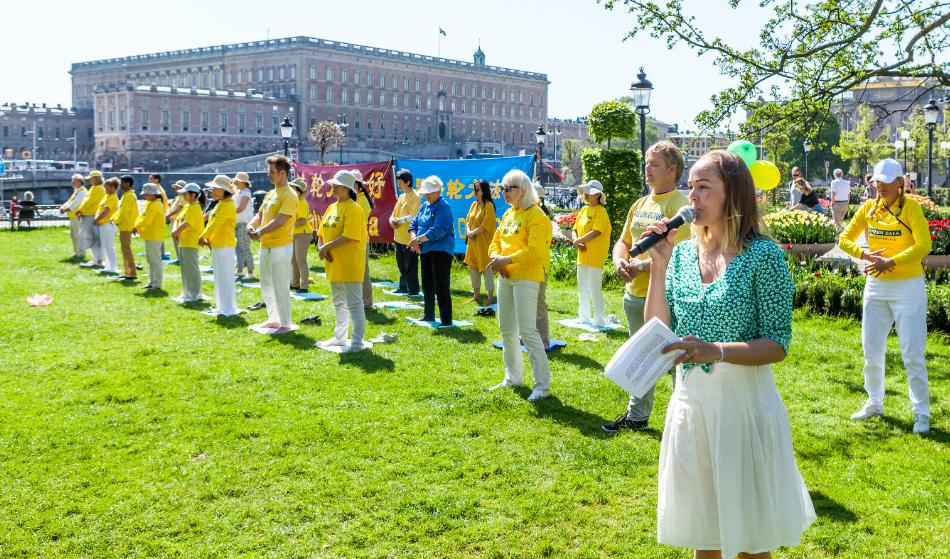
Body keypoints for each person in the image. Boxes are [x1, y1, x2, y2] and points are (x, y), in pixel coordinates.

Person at [643, 149, 815, 558]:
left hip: (743, 412)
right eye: (690, 187)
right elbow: (658, 332)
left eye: (704, 187)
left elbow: (777, 344)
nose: (692, 198)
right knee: (705, 538)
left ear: (733, 193)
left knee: (750, 542)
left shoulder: (764, 257)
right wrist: (659, 265)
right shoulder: (682, 254)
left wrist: (715, 350)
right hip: (692, 409)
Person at [839, 159, 932, 434]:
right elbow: (844, 239)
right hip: (876, 287)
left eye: (886, 183)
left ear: (900, 183)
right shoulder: (869, 207)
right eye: (877, 182)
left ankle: (921, 413)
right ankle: (874, 403)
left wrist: (891, 261)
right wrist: (865, 255)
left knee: (912, 354)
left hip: (909, 288)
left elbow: (924, 245)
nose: (880, 187)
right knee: (871, 351)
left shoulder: (912, 208)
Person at [603, 141, 691, 433]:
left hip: (666, 298)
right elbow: (623, 241)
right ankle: (637, 416)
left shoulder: (679, 207)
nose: (647, 169)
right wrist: (619, 260)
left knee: (675, 359)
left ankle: (684, 419)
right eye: (646, 163)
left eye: (654, 164)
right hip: (635, 296)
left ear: (672, 169)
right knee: (642, 359)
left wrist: (640, 266)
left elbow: (679, 255)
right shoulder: (640, 204)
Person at [487, 169, 552, 402]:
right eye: (502, 188)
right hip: (505, 276)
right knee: (506, 329)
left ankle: (542, 386)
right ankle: (513, 377)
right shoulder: (508, 213)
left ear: (522, 190)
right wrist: (497, 259)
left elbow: (535, 250)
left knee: (527, 331)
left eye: (508, 188)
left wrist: (505, 260)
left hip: (527, 276)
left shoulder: (537, 215)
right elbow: (495, 241)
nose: (503, 192)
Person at [318, 170, 368, 351]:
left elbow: (349, 236)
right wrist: (322, 247)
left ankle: (357, 342)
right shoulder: (332, 207)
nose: (333, 187)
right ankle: (340, 337)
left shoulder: (354, 208)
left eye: (337, 185)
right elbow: (321, 232)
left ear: (347, 188)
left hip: (350, 263)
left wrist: (326, 247)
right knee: (339, 302)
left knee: (354, 304)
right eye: (333, 185)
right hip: (334, 262)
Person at [247, 155, 297, 334]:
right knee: (266, 284)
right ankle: (273, 319)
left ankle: (285, 323)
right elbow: (260, 214)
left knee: (280, 285)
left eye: (272, 172)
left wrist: (260, 232)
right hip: (266, 245)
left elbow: (281, 220)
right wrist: (251, 225)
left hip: (281, 245)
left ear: (283, 173)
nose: (268, 174)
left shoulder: (289, 194)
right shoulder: (271, 193)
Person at [409, 175, 455, 326]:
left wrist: (417, 240)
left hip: (441, 250)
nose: (426, 195)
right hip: (426, 250)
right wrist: (414, 238)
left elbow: (439, 230)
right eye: (425, 192)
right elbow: (413, 225)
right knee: (427, 283)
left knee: (441, 285)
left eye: (429, 192)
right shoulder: (424, 206)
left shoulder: (443, 207)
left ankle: (446, 320)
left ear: (438, 192)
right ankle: (428, 315)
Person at [572, 180, 611, 327]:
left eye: (590, 193)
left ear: (598, 196)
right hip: (582, 255)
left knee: (595, 289)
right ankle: (584, 317)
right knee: (582, 288)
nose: (586, 195)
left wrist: (579, 241)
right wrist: (577, 241)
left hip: (595, 255)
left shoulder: (601, 211)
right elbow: (575, 229)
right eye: (586, 192)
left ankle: (599, 319)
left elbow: (596, 231)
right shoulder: (583, 210)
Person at [199, 175, 238, 317]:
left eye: (216, 188)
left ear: (224, 190)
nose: (213, 191)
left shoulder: (227, 206)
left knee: (225, 278)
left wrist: (202, 236)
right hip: (218, 244)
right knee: (219, 277)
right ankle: (221, 307)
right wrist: (206, 237)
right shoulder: (221, 204)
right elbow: (212, 224)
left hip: (224, 245)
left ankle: (228, 309)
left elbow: (215, 225)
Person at [463, 179, 497, 306]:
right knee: (473, 268)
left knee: (487, 269)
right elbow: (467, 220)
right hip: (472, 244)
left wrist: (473, 233)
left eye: (477, 189)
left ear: (484, 191)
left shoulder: (489, 206)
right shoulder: (474, 204)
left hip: (484, 244)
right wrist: (468, 232)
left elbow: (485, 225)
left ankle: (490, 297)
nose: (474, 191)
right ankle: (476, 295)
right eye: (474, 189)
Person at [389, 168, 421, 295]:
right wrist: (391, 220)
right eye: (398, 182)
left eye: (400, 182)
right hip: (398, 237)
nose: (398, 185)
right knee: (401, 264)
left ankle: (413, 289)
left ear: (408, 182)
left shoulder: (416, 196)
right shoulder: (402, 196)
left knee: (411, 264)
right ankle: (403, 287)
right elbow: (394, 213)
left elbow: (414, 216)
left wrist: (399, 221)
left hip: (409, 238)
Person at [172, 183, 204, 302]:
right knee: (185, 269)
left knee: (191, 269)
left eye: (185, 194)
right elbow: (179, 220)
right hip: (184, 241)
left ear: (193, 194)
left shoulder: (195, 207)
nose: (183, 196)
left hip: (191, 241)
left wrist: (176, 232)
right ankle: (186, 293)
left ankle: (195, 294)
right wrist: (176, 232)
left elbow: (187, 223)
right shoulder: (188, 206)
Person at [133, 183, 165, 290]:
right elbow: (141, 217)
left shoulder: (155, 205)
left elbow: (147, 220)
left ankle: (157, 284)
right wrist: (137, 225)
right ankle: (151, 282)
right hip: (150, 235)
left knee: (155, 261)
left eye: (146, 194)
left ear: (152, 194)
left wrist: (136, 226)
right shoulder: (151, 203)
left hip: (154, 235)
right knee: (151, 260)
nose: (144, 196)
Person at [352, 169, 375, 310]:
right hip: (354, 238)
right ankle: (359, 300)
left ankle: (367, 303)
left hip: (359, 239)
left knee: (363, 271)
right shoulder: (356, 199)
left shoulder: (362, 201)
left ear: (357, 185)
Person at [533, 183, 552, 348]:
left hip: (539, 266)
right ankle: (528, 336)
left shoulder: (541, 217)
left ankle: (544, 340)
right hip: (530, 266)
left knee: (538, 302)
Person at [75, 170, 106, 267]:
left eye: (91, 179)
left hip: (92, 216)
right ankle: (96, 259)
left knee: (94, 238)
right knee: (93, 238)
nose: (89, 181)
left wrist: (80, 210)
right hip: (90, 215)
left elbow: (89, 201)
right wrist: (82, 210)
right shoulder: (95, 188)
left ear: (96, 179)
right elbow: (87, 201)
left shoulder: (97, 189)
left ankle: (98, 260)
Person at [113, 175, 139, 279]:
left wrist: (115, 221)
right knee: (125, 250)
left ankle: (131, 273)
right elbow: (121, 211)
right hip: (126, 225)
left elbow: (123, 212)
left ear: (128, 184)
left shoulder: (128, 196)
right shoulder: (128, 195)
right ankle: (127, 272)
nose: (120, 185)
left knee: (126, 250)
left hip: (126, 226)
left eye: (122, 183)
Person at [289, 177, 312, 293]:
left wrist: (289, 224)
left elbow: (302, 221)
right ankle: (295, 283)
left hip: (303, 234)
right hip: (295, 233)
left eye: (293, 188)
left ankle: (304, 286)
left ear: (299, 191)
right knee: (293, 260)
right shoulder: (294, 202)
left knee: (301, 260)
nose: (291, 190)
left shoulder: (302, 203)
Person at [232, 171, 256, 279]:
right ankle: (240, 269)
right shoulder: (240, 192)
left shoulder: (246, 192)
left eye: (237, 181)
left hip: (244, 223)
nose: (235, 182)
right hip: (238, 222)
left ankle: (250, 271)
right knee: (238, 247)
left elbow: (241, 208)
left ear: (242, 182)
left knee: (244, 247)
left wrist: (228, 212)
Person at [94, 178, 120, 274]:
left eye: (107, 186)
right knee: (105, 246)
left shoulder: (112, 197)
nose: (105, 188)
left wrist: (97, 220)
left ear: (113, 187)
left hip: (108, 224)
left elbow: (106, 211)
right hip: (104, 224)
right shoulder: (107, 196)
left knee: (109, 246)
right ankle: (108, 266)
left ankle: (113, 267)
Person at [60, 174, 88, 259]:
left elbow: (75, 204)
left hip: (78, 216)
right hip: (74, 216)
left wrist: (65, 209)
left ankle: (81, 254)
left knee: (78, 235)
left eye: (74, 181)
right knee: (74, 235)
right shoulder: (77, 191)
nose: (72, 182)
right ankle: (76, 253)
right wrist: (63, 207)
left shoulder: (82, 192)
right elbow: (69, 201)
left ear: (79, 182)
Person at [166, 180, 187, 261]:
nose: (176, 189)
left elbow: (179, 208)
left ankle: (181, 259)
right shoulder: (178, 196)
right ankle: (179, 258)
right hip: (174, 220)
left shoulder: (183, 196)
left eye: (178, 187)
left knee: (178, 240)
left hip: (178, 221)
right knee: (175, 241)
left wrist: (168, 215)